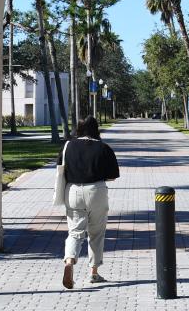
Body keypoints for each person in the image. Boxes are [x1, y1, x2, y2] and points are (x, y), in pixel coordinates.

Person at [58, 115, 119, 289]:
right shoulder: (103, 147)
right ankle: (94, 272)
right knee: (97, 232)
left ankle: (69, 261)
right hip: (96, 191)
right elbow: (113, 175)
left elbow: (60, 168)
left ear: (79, 128)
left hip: (73, 191)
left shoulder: (68, 145)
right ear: (95, 129)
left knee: (75, 231)